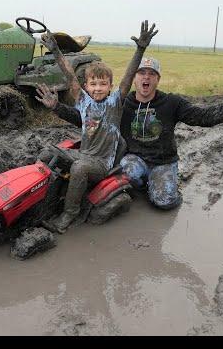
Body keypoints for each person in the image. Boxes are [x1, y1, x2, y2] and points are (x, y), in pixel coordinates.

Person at [34, 21, 158, 233]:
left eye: (103, 84)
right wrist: (55, 51)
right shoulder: (83, 101)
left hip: (101, 164)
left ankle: (69, 214)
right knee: (46, 153)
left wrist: (140, 49)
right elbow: (69, 75)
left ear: (110, 86)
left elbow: (128, 78)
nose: (98, 88)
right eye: (93, 84)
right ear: (86, 87)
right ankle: (43, 204)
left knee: (79, 168)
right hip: (82, 154)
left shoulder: (115, 103)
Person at [119, 57, 223, 209]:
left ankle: (168, 183)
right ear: (134, 78)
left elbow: (205, 117)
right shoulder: (122, 103)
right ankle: (143, 184)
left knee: (164, 202)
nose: (146, 77)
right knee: (124, 176)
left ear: (158, 79)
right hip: (135, 159)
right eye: (141, 72)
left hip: (163, 162)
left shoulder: (171, 103)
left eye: (152, 74)